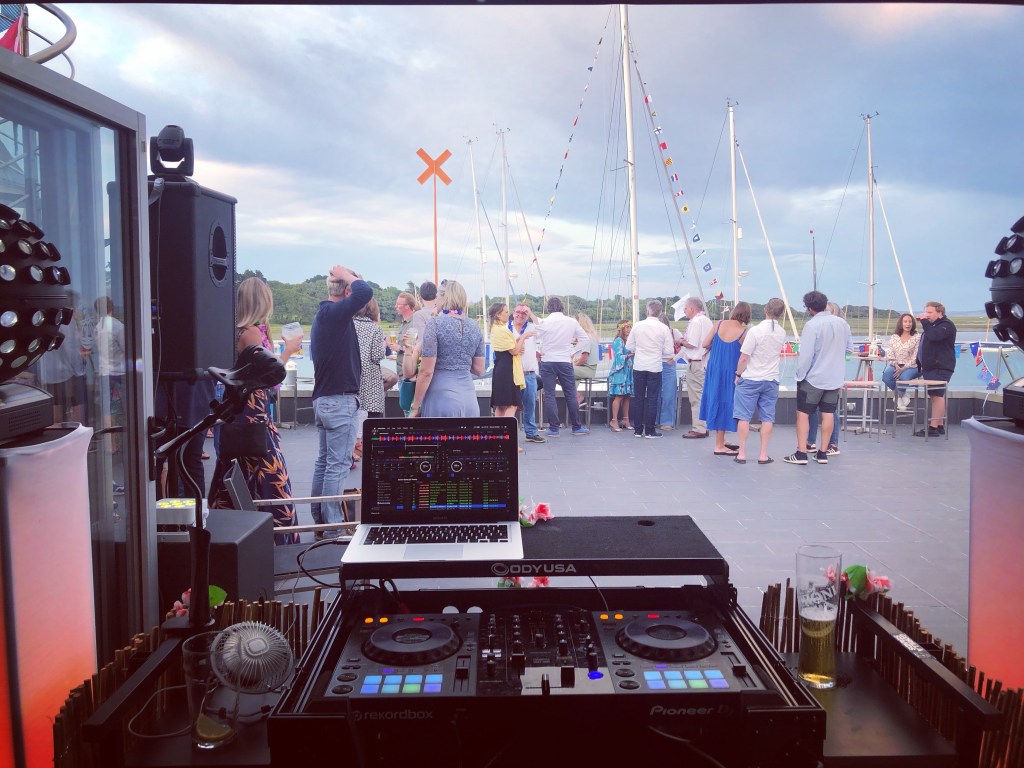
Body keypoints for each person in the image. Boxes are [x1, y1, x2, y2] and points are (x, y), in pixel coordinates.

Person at [208, 277, 302, 544]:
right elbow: (268, 377)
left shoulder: (238, 331)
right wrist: (288, 351)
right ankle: (276, 538)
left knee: (239, 474)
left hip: (244, 413)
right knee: (268, 476)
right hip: (253, 415)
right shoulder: (250, 333)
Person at [310, 266, 372, 533]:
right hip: (339, 401)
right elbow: (364, 292)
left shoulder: (324, 316)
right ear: (346, 291)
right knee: (337, 466)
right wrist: (347, 274)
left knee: (324, 463)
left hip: (324, 399)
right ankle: (334, 528)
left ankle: (321, 522)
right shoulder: (335, 314)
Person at [785, 291, 852, 466]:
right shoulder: (843, 323)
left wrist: (800, 375)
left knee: (803, 414)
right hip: (834, 378)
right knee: (828, 413)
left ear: (809, 308)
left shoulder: (812, 325)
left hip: (814, 378)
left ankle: (801, 453)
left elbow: (806, 356)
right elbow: (848, 350)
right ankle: (823, 453)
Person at [409, 279, 486, 417]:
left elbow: (426, 372)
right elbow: (479, 370)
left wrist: (415, 405)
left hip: (441, 398)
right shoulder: (475, 326)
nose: (436, 300)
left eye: (437, 296)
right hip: (469, 401)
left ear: (445, 298)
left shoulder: (435, 324)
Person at [733, 298, 787, 464]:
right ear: (781, 314)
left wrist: (738, 374)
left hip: (751, 378)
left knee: (743, 417)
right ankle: (763, 454)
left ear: (765, 310)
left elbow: (744, 357)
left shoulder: (755, 331)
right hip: (771, 379)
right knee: (767, 417)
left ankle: (742, 453)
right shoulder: (782, 333)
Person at [529, 297, 591, 437]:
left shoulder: (544, 322)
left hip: (548, 361)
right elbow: (585, 339)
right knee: (570, 394)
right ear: (562, 307)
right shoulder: (571, 322)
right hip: (564, 361)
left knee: (550, 395)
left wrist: (538, 351)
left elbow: (534, 339)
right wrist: (573, 351)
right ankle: (576, 427)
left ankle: (554, 429)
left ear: (548, 308)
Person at [699, 302, 752, 455]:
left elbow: (705, 343)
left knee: (716, 400)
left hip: (714, 369)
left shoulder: (719, 324)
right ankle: (719, 445)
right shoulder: (744, 332)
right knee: (726, 402)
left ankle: (721, 440)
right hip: (730, 371)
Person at [625, 299, 674, 438]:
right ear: (660, 313)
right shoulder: (664, 328)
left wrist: (641, 349)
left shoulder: (637, 326)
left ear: (647, 311)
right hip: (655, 366)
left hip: (639, 365)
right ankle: (650, 430)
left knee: (639, 398)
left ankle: (637, 429)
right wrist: (657, 352)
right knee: (652, 398)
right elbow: (669, 351)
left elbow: (629, 346)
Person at [805, 301, 847, 456]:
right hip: (829, 375)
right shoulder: (841, 327)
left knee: (828, 410)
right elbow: (848, 351)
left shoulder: (834, 328)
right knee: (823, 409)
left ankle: (831, 443)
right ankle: (814, 442)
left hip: (823, 375)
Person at [352, 297, 387, 465]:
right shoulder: (375, 329)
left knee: (354, 412)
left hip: (352, 375)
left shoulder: (349, 324)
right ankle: (368, 450)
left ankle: (354, 448)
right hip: (370, 378)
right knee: (372, 416)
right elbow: (377, 355)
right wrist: (384, 345)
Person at [914, 300, 956, 437]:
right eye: (926, 312)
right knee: (935, 396)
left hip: (940, 366)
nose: (927, 315)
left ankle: (933, 428)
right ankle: (939, 425)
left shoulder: (946, 325)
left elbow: (934, 337)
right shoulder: (933, 326)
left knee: (937, 396)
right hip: (931, 367)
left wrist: (924, 322)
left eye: (930, 312)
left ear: (940, 313)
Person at [93, 296, 126, 453]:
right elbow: (128, 349)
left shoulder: (97, 327)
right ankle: (126, 440)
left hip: (104, 372)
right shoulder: (118, 326)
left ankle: (109, 445)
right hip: (119, 372)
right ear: (112, 308)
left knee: (107, 409)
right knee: (126, 407)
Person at [489, 301, 532, 418]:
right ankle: (507, 428)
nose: (508, 314)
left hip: (500, 368)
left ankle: (499, 428)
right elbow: (514, 351)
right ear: (498, 314)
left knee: (501, 405)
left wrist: (517, 341)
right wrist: (523, 337)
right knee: (512, 404)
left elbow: (509, 346)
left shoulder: (495, 329)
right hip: (508, 370)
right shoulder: (502, 330)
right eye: (506, 312)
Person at [680, 296, 713, 440]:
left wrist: (680, 341)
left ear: (692, 308)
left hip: (696, 362)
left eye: (685, 308)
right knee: (702, 395)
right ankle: (704, 425)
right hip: (705, 362)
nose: (684, 311)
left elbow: (692, 343)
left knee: (696, 397)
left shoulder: (695, 322)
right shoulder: (706, 321)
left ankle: (699, 428)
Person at [512, 303, 544, 443]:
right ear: (513, 313)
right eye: (518, 312)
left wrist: (530, 313)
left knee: (530, 404)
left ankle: (531, 433)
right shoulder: (506, 328)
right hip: (511, 373)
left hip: (529, 373)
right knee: (509, 405)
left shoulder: (531, 327)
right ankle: (508, 433)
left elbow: (543, 329)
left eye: (524, 313)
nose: (520, 315)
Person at [883, 312, 920, 411]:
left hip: (912, 366)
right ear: (901, 323)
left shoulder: (916, 337)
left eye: (910, 322)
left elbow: (916, 356)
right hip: (896, 364)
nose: (908, 324)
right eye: (905, 321)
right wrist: (896, 365)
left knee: (903, 378)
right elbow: (890, 353)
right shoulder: (894, 337)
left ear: (913, 323)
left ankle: (898, 398)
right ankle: (902, 394)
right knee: (886, 376)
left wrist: (903, 369)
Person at [391, 291, 420, 415]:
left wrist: (399, 348)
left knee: (409, 409)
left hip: (408, 374)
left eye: (399, 304)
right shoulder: (404, 323)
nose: (396, 306)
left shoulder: (414, 323)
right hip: (401, 371)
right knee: (406, 408)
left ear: (407, 306)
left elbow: (414, 348)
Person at [657, 314, 683, 430]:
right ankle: (655, 419)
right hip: (655, 364)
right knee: (655, 394)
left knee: (668, 394)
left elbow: (684, 346)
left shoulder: (674, 332)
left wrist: (674, 359)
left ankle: (667, 421)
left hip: (668, 364)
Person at [607, 320, 634, 431]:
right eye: (627, 327)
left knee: (627, 396)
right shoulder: (619, 341)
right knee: (619, 396)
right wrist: (630, 355)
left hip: (628, 371)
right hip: (621, 371)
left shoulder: (629, 341)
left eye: (630, 327)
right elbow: (618, 356)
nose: (629, 329)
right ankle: (614, 420)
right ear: (621, 329)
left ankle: (625, 419)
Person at [571, 312, 599, 408]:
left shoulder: (586, 337)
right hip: (585, 368)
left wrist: (573, 365)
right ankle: (574, 394)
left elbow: (584, 357)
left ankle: (575, 395)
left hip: (587, 369)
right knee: (562, 374)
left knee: (562, 371)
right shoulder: (589, 336)